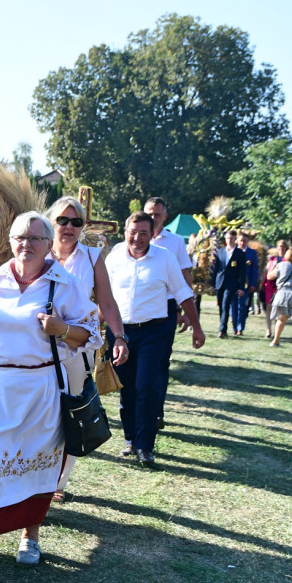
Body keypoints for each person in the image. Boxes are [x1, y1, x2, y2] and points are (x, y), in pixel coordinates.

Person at [0, 212, 100, 581]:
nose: (26, 244)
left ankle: (30, 536)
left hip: (38, 389)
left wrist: (62, 329)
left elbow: (91, 334)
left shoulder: (64, 284)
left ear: (48, 245)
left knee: (34, 466)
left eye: (35, 238)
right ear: (10, 242)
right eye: (19, 238)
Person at [44, 196, 128, 502]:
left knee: (71, 410)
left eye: (76, 222)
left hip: (77, 347)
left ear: (83, 227)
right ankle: (33, 471)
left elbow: (107, 301)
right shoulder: (37, 251)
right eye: (62, 221)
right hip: (38, 345)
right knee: (40, 410)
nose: (68, 227)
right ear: (51, 223)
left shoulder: (93, 256)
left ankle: (57, 483)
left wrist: (119, 337)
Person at [106, 212, 205, 464]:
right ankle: (130, 439)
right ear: (125, 230)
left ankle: (144, 446)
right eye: (133, 231)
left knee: (147, 386)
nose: (137, 238)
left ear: (152, 234)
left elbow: (183, 292)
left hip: (154, 331)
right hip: (120, 332)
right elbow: (104, 295)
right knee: (125, 386)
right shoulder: (114, 255)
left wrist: (196, 326)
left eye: (143, 233)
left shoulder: (164, 258)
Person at [142, 197, 195, 431]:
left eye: (158, 215)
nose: (154, 219)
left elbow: (185, 276)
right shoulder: (131, 239)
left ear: (165, 216)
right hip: (136, 311)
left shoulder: (174, 242)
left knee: (161, 364)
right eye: (150, 214)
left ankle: (156, 411)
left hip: (166, 310)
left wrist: (185, 311)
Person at [268, 246, 292, 353]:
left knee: (281, 319)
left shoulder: (281, 265)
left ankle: (275, 340)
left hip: (282, 294)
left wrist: (273, 266)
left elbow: (269, 277)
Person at [210, 230, 246, 338]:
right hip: (219, 282)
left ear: (235, 239)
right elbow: (215, 269)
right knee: (221, 306)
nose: (229, 240)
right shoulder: (220, 252)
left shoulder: (240, 254)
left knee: (226, 305)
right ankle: (224, 329)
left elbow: (242, 272)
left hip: (231, 284)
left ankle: (221, 330)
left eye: (231, 238)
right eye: (227, 238)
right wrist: (212, 284)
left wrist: (241, 287)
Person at [261, 240, 287, 338]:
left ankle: (277, 332)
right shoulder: (272, 259)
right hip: (270, 285)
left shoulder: (288, 260)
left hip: (281, 287)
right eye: (279, 247)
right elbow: (267, 273)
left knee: (279, 309)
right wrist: (262, 284)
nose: (281, 249)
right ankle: (268, 331)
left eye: (283, 247)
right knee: (269, 308)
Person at [237, 232, 259, 333]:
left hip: (246, 283)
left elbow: (255, 269)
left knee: (242, 305)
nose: (242, 243)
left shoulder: (252, 253)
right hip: (233, 282)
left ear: (247, 241)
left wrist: (253, 284)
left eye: (244, 241)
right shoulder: (233, 251)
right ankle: (235, 323)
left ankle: (240, 327)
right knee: (233, 305)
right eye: (241, 240)